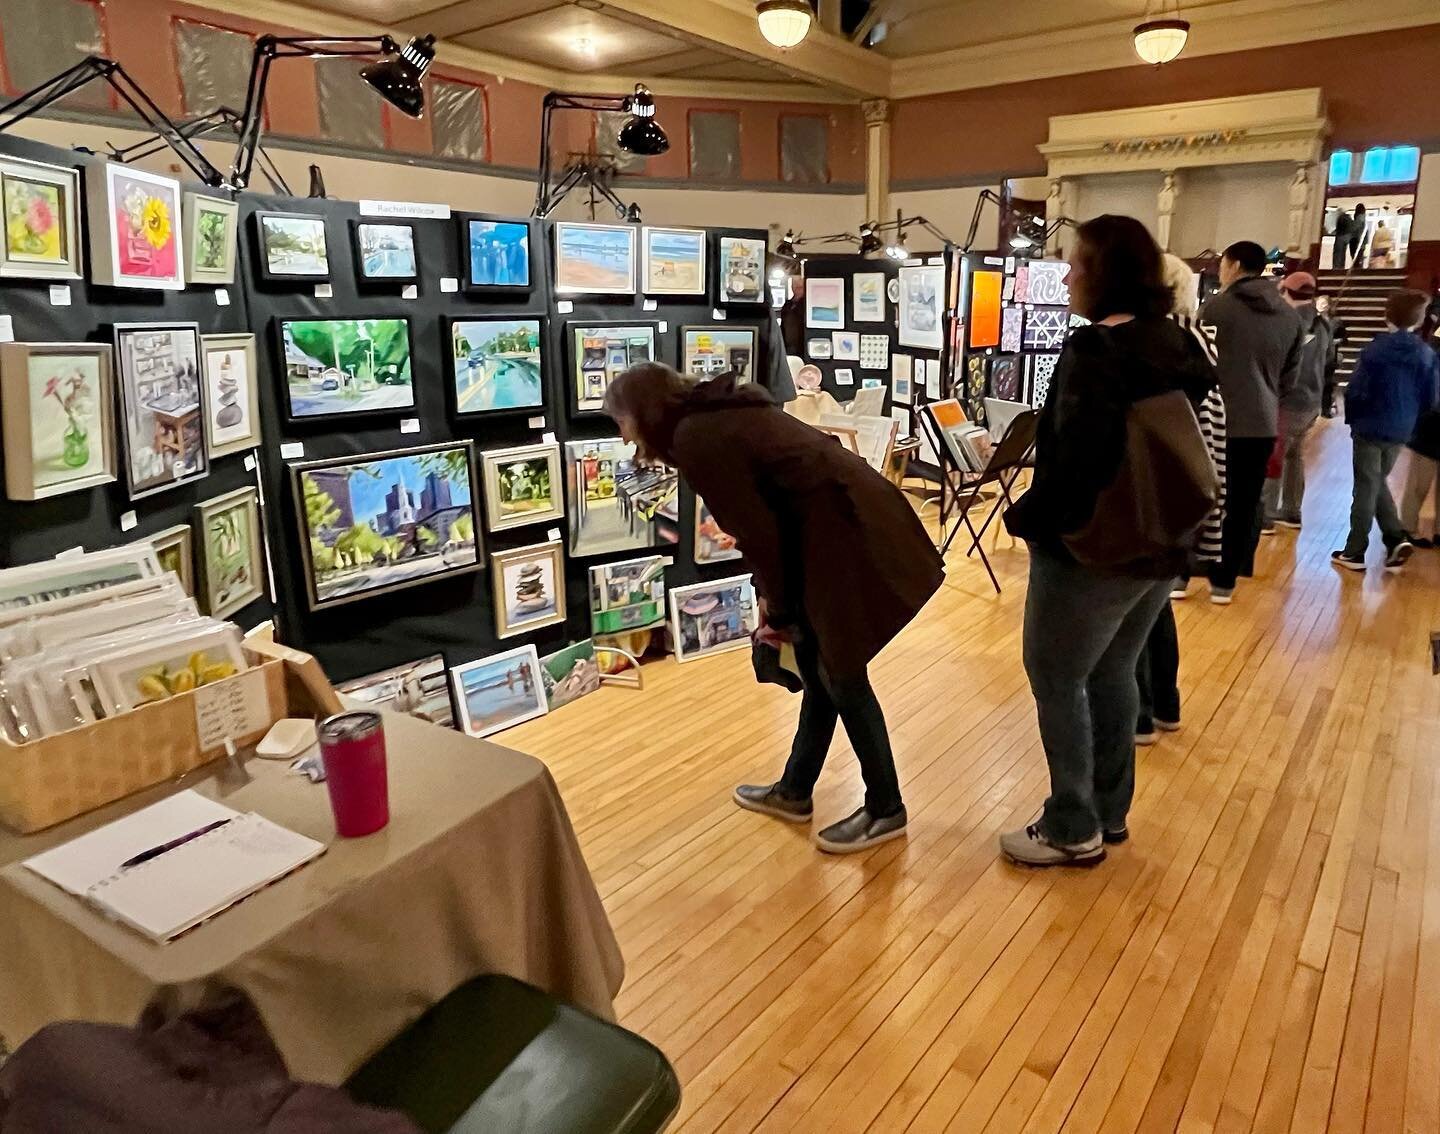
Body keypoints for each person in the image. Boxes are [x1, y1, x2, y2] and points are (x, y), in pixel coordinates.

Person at [602, 364, 943, 854]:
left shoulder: (699, 437)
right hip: (836, 526)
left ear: (641, 413)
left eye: (620, 421)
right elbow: (767, 525)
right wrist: (779, 605)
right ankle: (794, 790)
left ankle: (886, 808)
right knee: (821, 666)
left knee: (842, 673)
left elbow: (759, 534)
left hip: (845, 532)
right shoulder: (712, 416)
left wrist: (777, 610)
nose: (622, 433)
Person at [1000, 216, 1215, 867]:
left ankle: (1071, 825)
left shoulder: (1094, 352)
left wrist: (1031, 520)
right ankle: (1109, 812)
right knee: (1114, 670)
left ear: (1105, 273)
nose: (1066, 276)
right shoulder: (1176, 343)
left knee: (1057, 675)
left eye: (1077, 264)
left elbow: (1075, 465)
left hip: (1093, 547)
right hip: (1161, 541)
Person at [1138, 253, 1225, 743]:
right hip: (1190, 488)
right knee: (1154, 603)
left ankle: (1141, 713)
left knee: (1137, 607)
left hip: (1156, 491)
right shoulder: (1199, 340)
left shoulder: (1155, 346)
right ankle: (1164, 702)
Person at [1199, 241, 1304, 603]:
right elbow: (1291, 379)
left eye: (1222, 263)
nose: (1220, 270)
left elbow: (1197, 364)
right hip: (1260, 422)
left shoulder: (1215, 308)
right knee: (1244, 501)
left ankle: (1186, 574)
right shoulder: (1290, 317)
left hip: (1215, 418)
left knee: (1202, 494)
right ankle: (1225, 582)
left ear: (1236, 265)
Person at [1333, 290, 1440, 570]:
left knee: (1367, 487)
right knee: (1377, 481)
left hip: (1370, 423)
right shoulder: (1426, 353)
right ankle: (1395, 540)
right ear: (1419, 320)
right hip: (1402, 427)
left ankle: (1355, 550)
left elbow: (1356, 389)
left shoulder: (1375, 350)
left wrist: (1353, 417)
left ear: (1386, 316)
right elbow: (1431, 397)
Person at [1262, 272, 1332, 530]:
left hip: (1288, 400)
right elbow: (1330, 361)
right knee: (1295, 456)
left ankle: (1266, 514)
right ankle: (1292, 510)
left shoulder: (1286, 322)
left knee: (1274, 456)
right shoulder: (1323, 322)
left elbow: (1278, 363)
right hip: (1312, 400)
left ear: (1286, 292)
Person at [1401, 401, 1440, 547]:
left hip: (1429, 420)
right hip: (1429, 425)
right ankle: (1408, 528)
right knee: (1419, 484)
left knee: (1419, 482)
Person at [1317, 294, 1345, 418]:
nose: (1321, 305)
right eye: (1319, 303)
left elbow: (1344, 339)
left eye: (1324, 303)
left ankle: (1325, 409)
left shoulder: (1336, 322)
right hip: (1313, 357)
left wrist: (1334, 341)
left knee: (1326, 384)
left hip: (1329, 356)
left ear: (1329, 306)